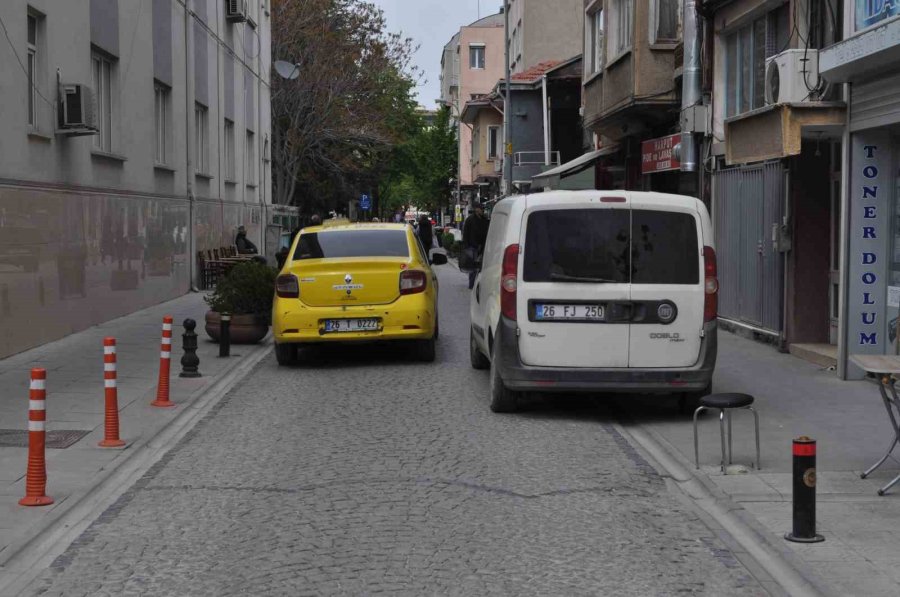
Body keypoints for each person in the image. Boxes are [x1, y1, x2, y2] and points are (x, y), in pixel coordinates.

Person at [463, 203, 489, 289]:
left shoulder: (485, 220)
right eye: (481, 209)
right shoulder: (470, 220)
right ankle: (472, 284)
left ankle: (479, 284)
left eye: (483, 209)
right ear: (477, 209)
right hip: (472, 246)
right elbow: (466, 233)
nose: (483, 211)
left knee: (481, 266)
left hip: (482, 246)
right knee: (472, 266)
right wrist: (466, 246)